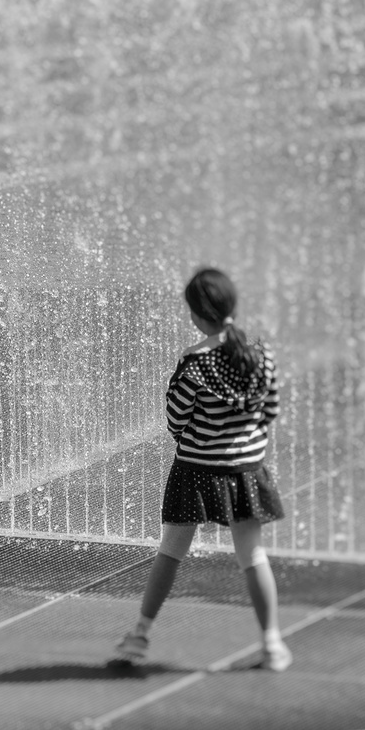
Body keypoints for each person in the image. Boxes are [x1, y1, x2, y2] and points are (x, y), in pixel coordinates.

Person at [114, 267, 291, 671]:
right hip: (245, 471)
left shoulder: (193, 364)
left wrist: (207, 440)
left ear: (196, 314)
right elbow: (271, 411)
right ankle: (272, 644)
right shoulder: (262, 356)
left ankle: (140, 635)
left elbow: (176, 421)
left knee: (171, 552)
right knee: (253, 556)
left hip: (195, 470)